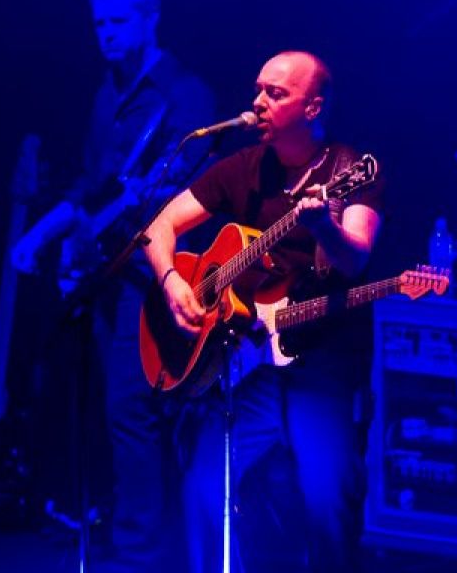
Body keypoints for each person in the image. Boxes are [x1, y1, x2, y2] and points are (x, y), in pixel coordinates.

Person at [143, 50, 385, 572]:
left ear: (313, 107)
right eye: (258, 89)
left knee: (328, 500)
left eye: (275, 93)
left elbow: (355, 258)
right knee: (204, 488)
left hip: (321, 367)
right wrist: (171, 282)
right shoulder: (245, 167)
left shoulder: (351, 170)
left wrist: (322, 226)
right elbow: (159, 227)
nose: (258, 102)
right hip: (250, 365)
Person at [11, 0, 216, 572]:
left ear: (152, 18)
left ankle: (140, 556)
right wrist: (41, 237)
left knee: (132, 412)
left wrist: (134, 209)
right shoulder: (109, 93)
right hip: (105, 267)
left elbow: (184, 195)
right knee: (110, 410)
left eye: (119, 20)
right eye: (99, 22)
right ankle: (120, 533)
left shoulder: (185, 96)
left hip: (153, 274)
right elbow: (92, 185)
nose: (106, 32)